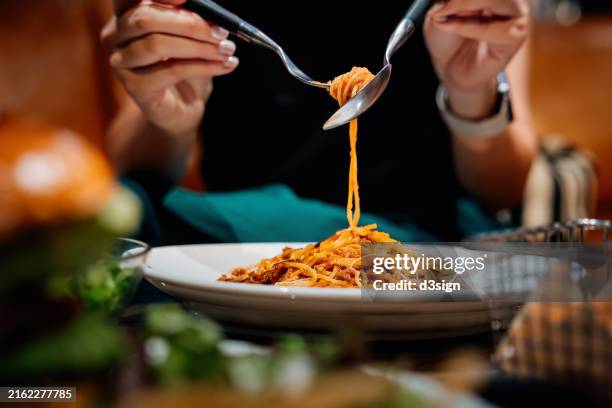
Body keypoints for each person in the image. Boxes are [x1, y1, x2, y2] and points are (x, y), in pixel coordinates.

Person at [102, 0, 536, 241]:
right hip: (233, 236)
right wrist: (167, 115)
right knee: (110, 219)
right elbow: (131, 169)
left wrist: (471, 93)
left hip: (425, 236)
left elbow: (503, 188)